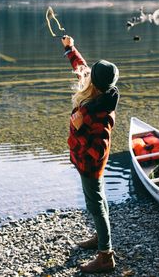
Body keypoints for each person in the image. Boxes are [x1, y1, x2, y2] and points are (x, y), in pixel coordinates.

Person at [61, 35, 120, 273]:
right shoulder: (95, 91)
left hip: (90, 166)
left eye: (90, 74)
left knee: (96, 205)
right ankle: (100, 236)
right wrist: (70, 49)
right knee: (97, 202)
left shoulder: (101, 115)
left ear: (95, 83)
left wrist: (80, 128)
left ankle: (106, 256)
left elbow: (99, 151)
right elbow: (81, 67)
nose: (86, 73)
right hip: (83, 163)